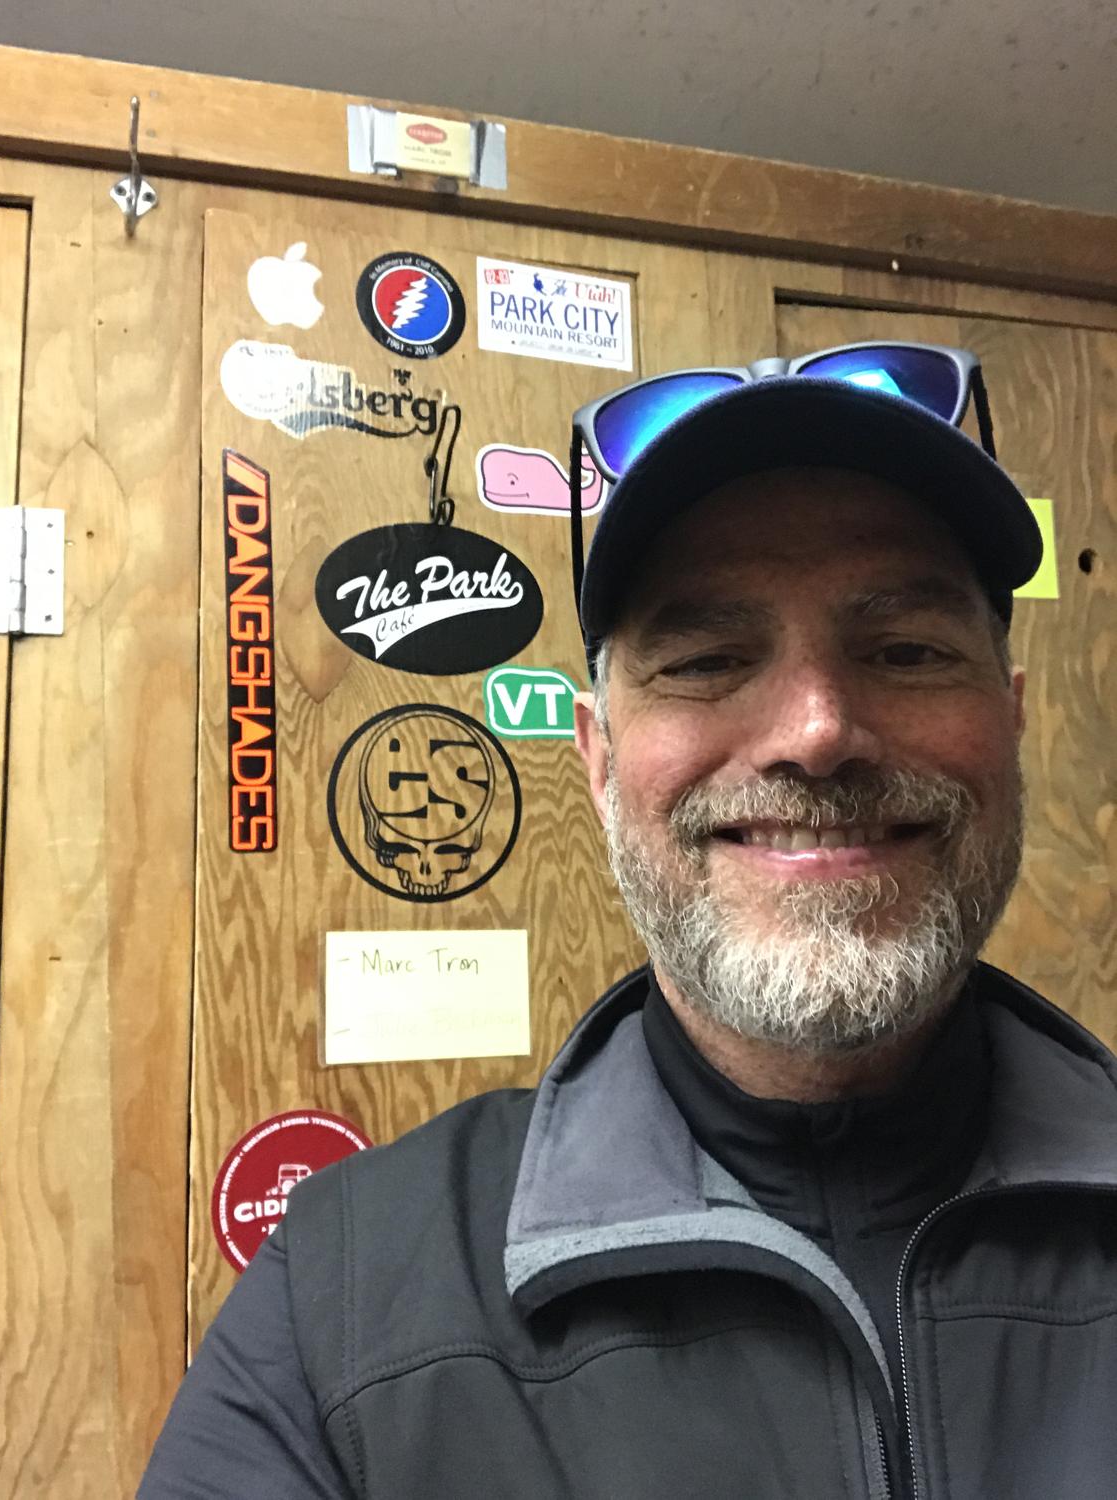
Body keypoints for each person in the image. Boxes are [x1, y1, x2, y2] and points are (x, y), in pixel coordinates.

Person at [140, 348, 1117, 1500]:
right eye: (705, 661)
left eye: (904, 651)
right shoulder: (340, 1305)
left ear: (1009, 720)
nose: (815, 730)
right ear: (598, 761)